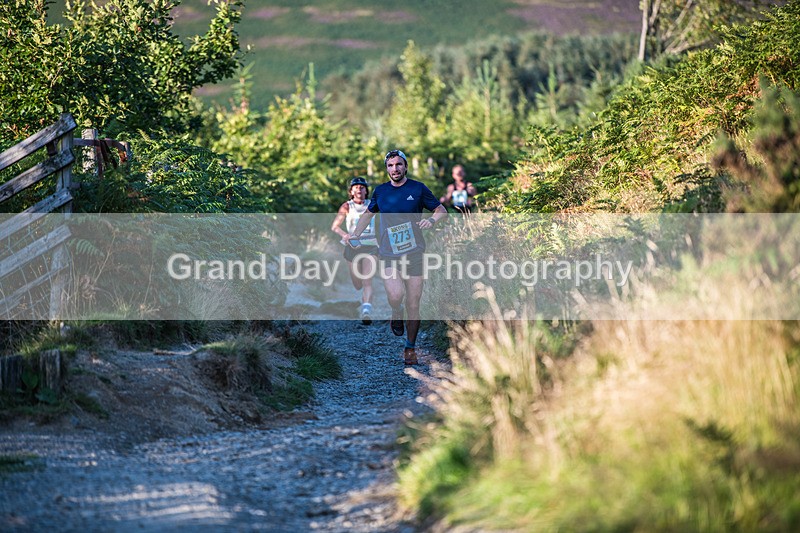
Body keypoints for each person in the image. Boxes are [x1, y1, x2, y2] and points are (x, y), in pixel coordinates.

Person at [345, 149, 447, 365]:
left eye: (399, 164)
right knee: (395, 295)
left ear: (405, 166)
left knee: (414, 302)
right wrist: (355, 234)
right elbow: (368, 214)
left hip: (415, 253)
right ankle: (395, 311)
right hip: (389, 253)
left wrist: (431, 220)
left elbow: (441, 210)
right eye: (390, 165)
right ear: (387, 169)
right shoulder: (381, 191)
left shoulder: (418, 188)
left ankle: (410, 347)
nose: (395, 169)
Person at [331, 177, 379, 324]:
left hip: (370, 245)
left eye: (362, 187)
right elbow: (335, 227)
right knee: (358, 284)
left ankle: (366, 311)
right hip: (352, 246)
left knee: (367, 281)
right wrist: (345, 235)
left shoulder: (373, 204)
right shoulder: (347, 206)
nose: (359, 189)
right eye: (356, 187)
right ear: (351, 191)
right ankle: (364, 304)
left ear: (366, 191)